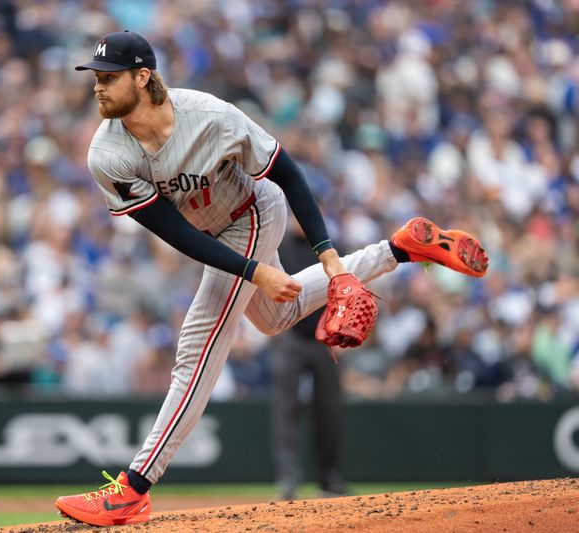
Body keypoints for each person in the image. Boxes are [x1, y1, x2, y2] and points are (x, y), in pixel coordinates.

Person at [56, 30, 488, 527]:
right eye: (96, 77)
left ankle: (133, 488)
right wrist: (256, 273)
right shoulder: (106, 154)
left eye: (108, 77)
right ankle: (399, 249)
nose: (98, 86)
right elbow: (172, 231)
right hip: (213, 236)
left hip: (253, 212)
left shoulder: (211, 116)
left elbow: (288, 174)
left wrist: (325, 255)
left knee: (197, 351)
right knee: (278, 315)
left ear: (143, 76)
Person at [271, 220, 346, 501]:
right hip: (289, 337)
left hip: (325, 339)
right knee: (286, 410)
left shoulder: (329, 250)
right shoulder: (280, 246)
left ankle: (330, 477)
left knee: (329, 409)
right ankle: (289, 480)